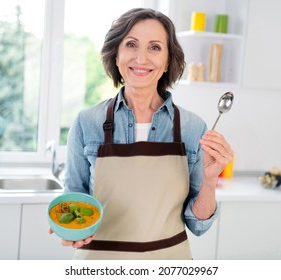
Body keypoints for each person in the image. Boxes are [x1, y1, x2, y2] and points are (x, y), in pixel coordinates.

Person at [50, 7, 233, 260]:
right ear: (116, 55)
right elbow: (75, 202)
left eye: (155, 47)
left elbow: (198, 224)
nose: (141, 58)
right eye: (131, 44)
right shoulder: (86, 122)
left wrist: (211, 179)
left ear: (168, 61)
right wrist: (70, 230)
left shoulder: (193, 128)